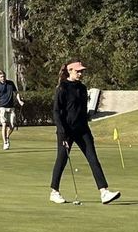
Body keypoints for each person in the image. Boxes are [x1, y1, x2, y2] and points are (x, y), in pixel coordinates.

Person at [50, 60, 120, 205]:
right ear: (70, 71)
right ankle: (54, 192)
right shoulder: (62, 88)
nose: (81, 74)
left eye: (82, 71)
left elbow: (81, 111)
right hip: (66, 131)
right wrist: (62, 131)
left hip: (82, 130)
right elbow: (57, 112)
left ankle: (104, 192)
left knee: (93, 159)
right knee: (61, 160)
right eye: (78, 71)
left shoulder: (82, 88)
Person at [0, 69, 24, 150]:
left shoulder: (10, 83)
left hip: (11, 108)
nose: (3, 78)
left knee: (12, 125)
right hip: (2, 108)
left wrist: (19, 101)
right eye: (1, 77)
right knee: (4, 124)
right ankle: (5, 142)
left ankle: (6, 137)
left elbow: (16, 93)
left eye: (4, 76)